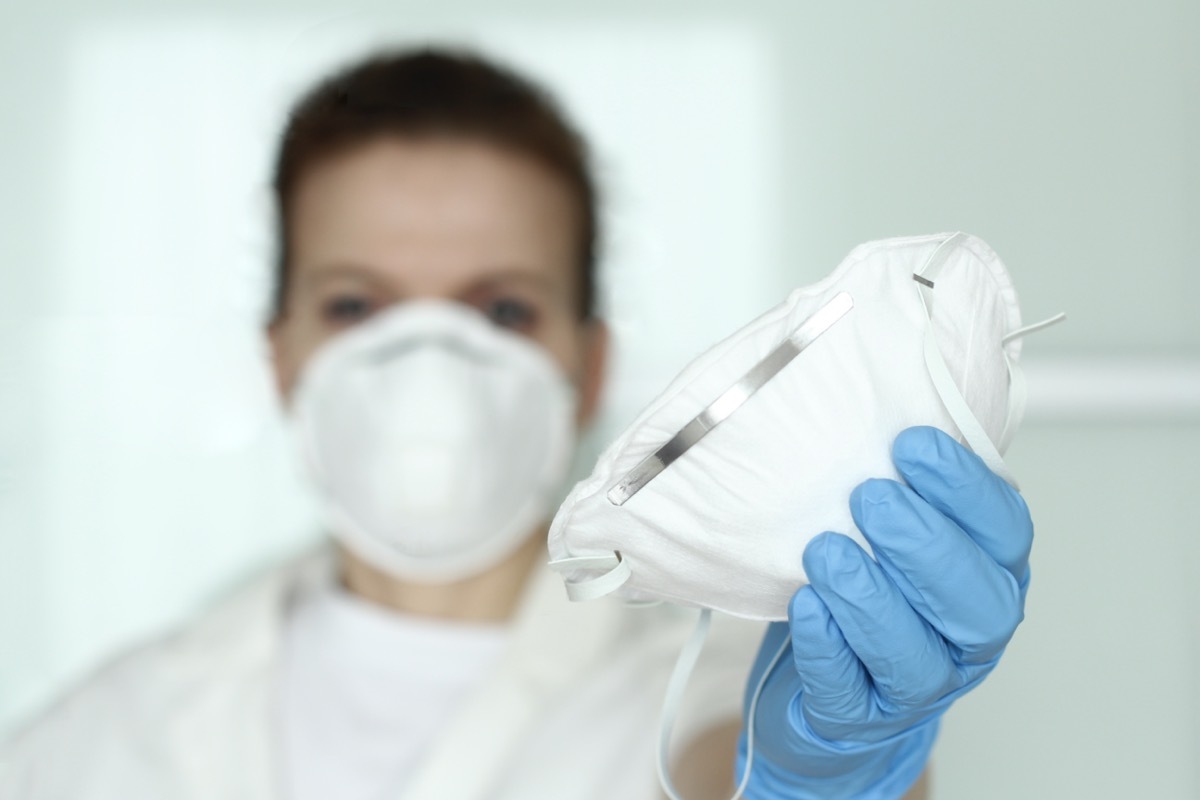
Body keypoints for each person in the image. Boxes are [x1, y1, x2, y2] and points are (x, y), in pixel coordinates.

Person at [0, 48, 1033, 800]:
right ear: (283, 357)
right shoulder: (94, 737)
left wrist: (834, 777)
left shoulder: (734, 683)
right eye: (358, 306)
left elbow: (735, 764)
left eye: (501, 310)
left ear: (585, 367)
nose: (430, 369)